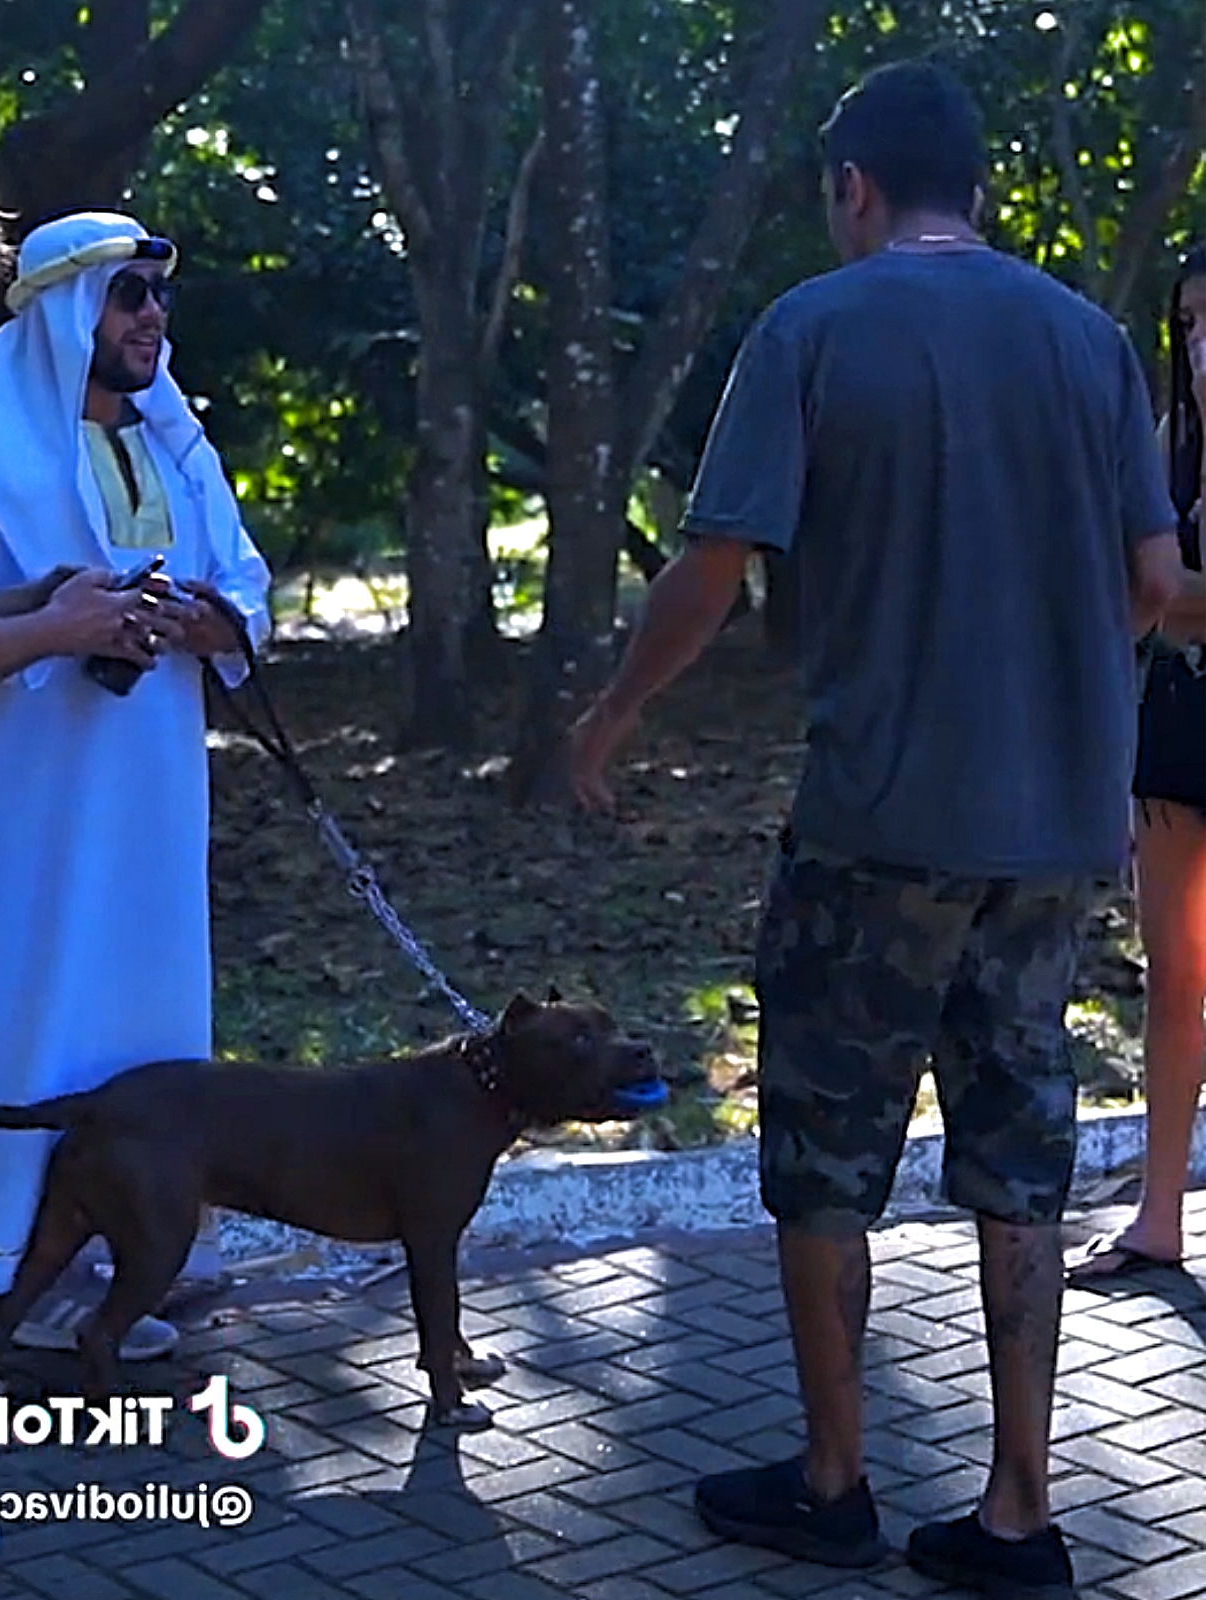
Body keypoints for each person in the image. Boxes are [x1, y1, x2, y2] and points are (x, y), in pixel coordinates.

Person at [564, 61, 1181, 1594]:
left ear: (853, 185)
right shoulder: (1092, 342)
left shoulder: (813, 329)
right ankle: (1020, 1514)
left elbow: (715, 567)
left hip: (875, 828)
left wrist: (613, 714)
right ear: (969, 185)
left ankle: (835, 1482)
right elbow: (1157, 578)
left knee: (829, 1160)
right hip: (1051, 840)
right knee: (1020, 1152)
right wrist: (1068, 697)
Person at [0, 207, 271, 1367]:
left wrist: (202, 619)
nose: (150, 319)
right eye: (126, 297)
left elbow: (244, 584)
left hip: (154, 789)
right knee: (36, 999)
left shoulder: (174, 442)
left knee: (145, 1000)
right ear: (67, 316)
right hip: (29, 793)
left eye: (157, 298)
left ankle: (126, 1262)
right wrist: (58, 622)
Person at [1067, 244, 1206, 1288]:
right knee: (1173, 981)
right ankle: (1159, 1215)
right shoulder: (1174, 447)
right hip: (1174, 729)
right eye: (1191, 323)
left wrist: (1162, 588)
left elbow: (1155, 589)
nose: (1205, 345)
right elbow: (1130, 584)